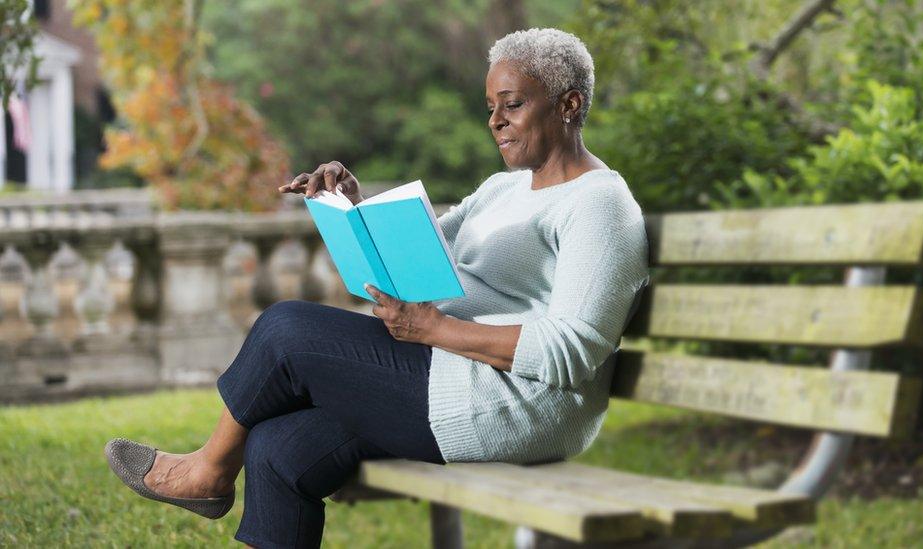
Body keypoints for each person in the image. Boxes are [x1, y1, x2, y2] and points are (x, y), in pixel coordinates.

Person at [104, 27, 649, 548]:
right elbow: (422, 255)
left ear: (569, 105)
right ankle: (218, 471)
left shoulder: (598, 205)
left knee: (286, 329)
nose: (496, 122)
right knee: (278, 448)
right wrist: (353, 207)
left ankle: (208, 471)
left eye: (513, 105)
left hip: (517, 406)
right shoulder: (504, 188)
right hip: (448, 370)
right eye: (491, 108)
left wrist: (436, 327)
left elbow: (573, 351)